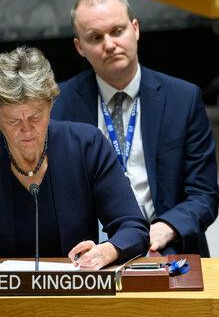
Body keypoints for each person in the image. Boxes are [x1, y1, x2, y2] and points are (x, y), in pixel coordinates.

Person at [53, 0, 219, 256]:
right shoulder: (58, 105)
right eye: (96, 37)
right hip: (88, 248)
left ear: (135, 29)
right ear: (79, 47)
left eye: (117, 31)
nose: (109, 45)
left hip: (162, 241)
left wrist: (167, 227)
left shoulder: (182, 99)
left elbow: (204, 194)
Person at [0, 46, 149, 268]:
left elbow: (133, 228)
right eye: (14, 121)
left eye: (35, 117)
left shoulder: (86, 145)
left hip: (74, 285)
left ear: (50, 105)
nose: (27, 130)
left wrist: (108, 250)